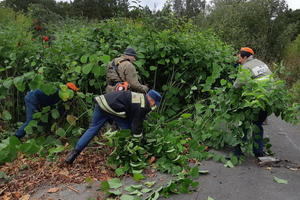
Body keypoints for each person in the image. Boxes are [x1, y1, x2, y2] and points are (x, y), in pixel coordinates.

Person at [65, 89, 162, 164]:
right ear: (151, 100)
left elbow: (131, 115)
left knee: (93, 129)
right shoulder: (142, 105)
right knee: (127, 131)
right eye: (155, 104)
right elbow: (136, 125)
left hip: (102, 103)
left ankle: (73, 154)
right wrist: (139, 139)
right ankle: (129, 156)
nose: (154, 106)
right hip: (113, 108)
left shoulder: (140, 97)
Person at [233, 47, 272, 157]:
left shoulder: (246, 67)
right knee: (258, 124)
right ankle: (258, 151)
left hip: (257, 98)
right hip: (269, 98)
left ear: (245, 57)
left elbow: (237, 85)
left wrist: (233, 84)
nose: (239, 60)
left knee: (243, 122)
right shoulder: (260, 63)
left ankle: (238, 152)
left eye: (239, 58)